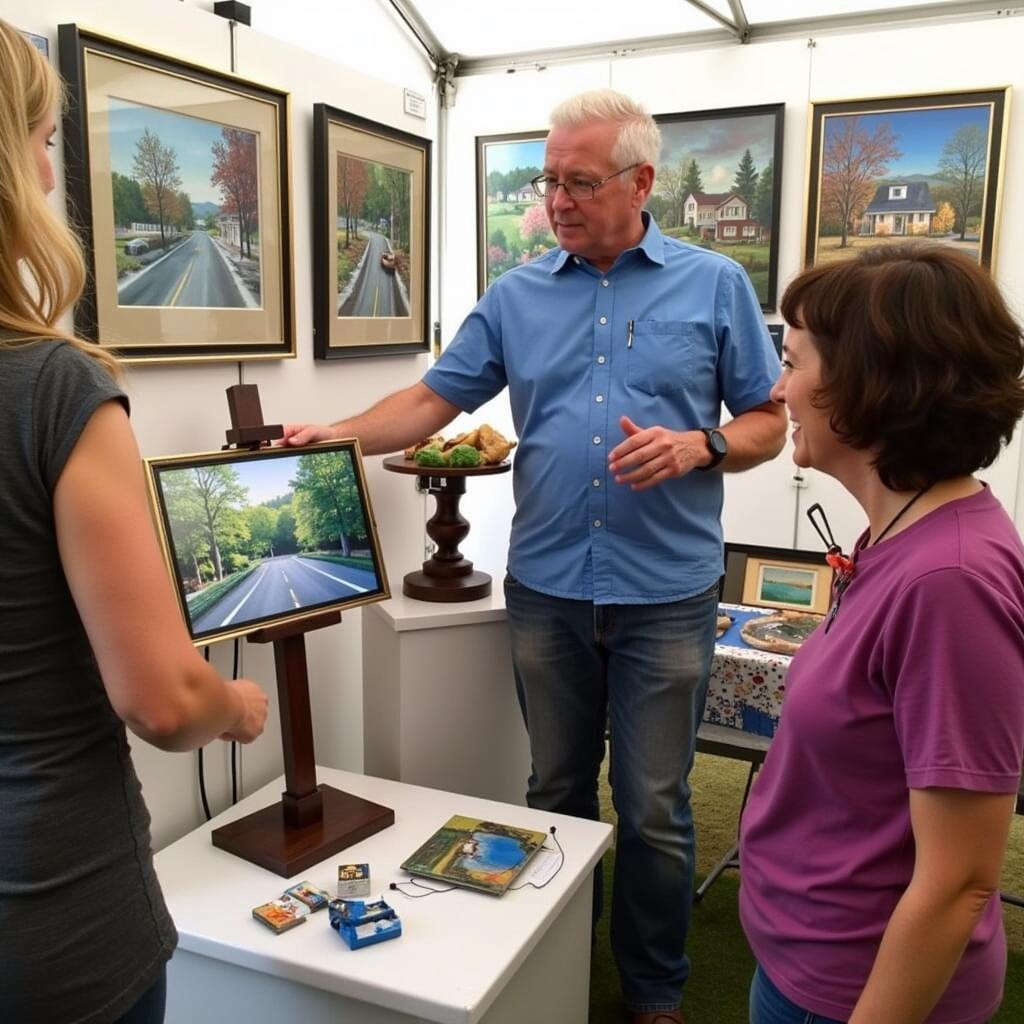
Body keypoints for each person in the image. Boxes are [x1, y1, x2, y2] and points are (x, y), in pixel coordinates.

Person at [285, 88, 785, 1022]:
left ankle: (652, 993)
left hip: (666, 595)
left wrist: (700, 445)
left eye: (579, 181)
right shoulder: (515, 294)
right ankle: (555, 969)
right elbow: (434, 401)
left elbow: (769, 422)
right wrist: (335, 435)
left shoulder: (714, 285)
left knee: (657, 810)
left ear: (641, 181)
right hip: (549, 589)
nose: (557, 198)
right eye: (548, 179)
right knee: (552, 794)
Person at [0, 21, 269, 1024]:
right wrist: (235, 709)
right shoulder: (55, 387)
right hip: (51, 918)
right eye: (40, 137)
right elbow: (163, 701)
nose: (46, 164)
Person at [739, 243, 1024, 1024]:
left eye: (792, 361)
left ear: (866, 384)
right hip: (812, 960)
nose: (778, 388)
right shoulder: (901, 537)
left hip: (856, 991)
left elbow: (961, 880)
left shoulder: (949, 583)